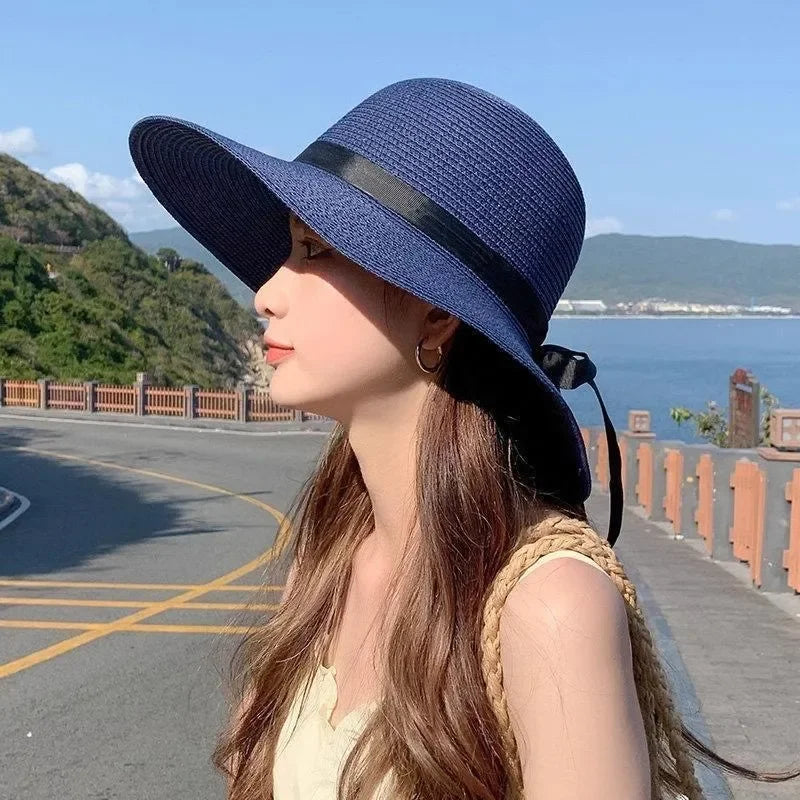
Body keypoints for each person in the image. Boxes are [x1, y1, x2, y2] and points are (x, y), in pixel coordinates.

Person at [129, 77, 799, 800]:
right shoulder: (327, 561)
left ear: (438, 314)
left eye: (315, 251)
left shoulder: (548, 607)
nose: (267, 293)